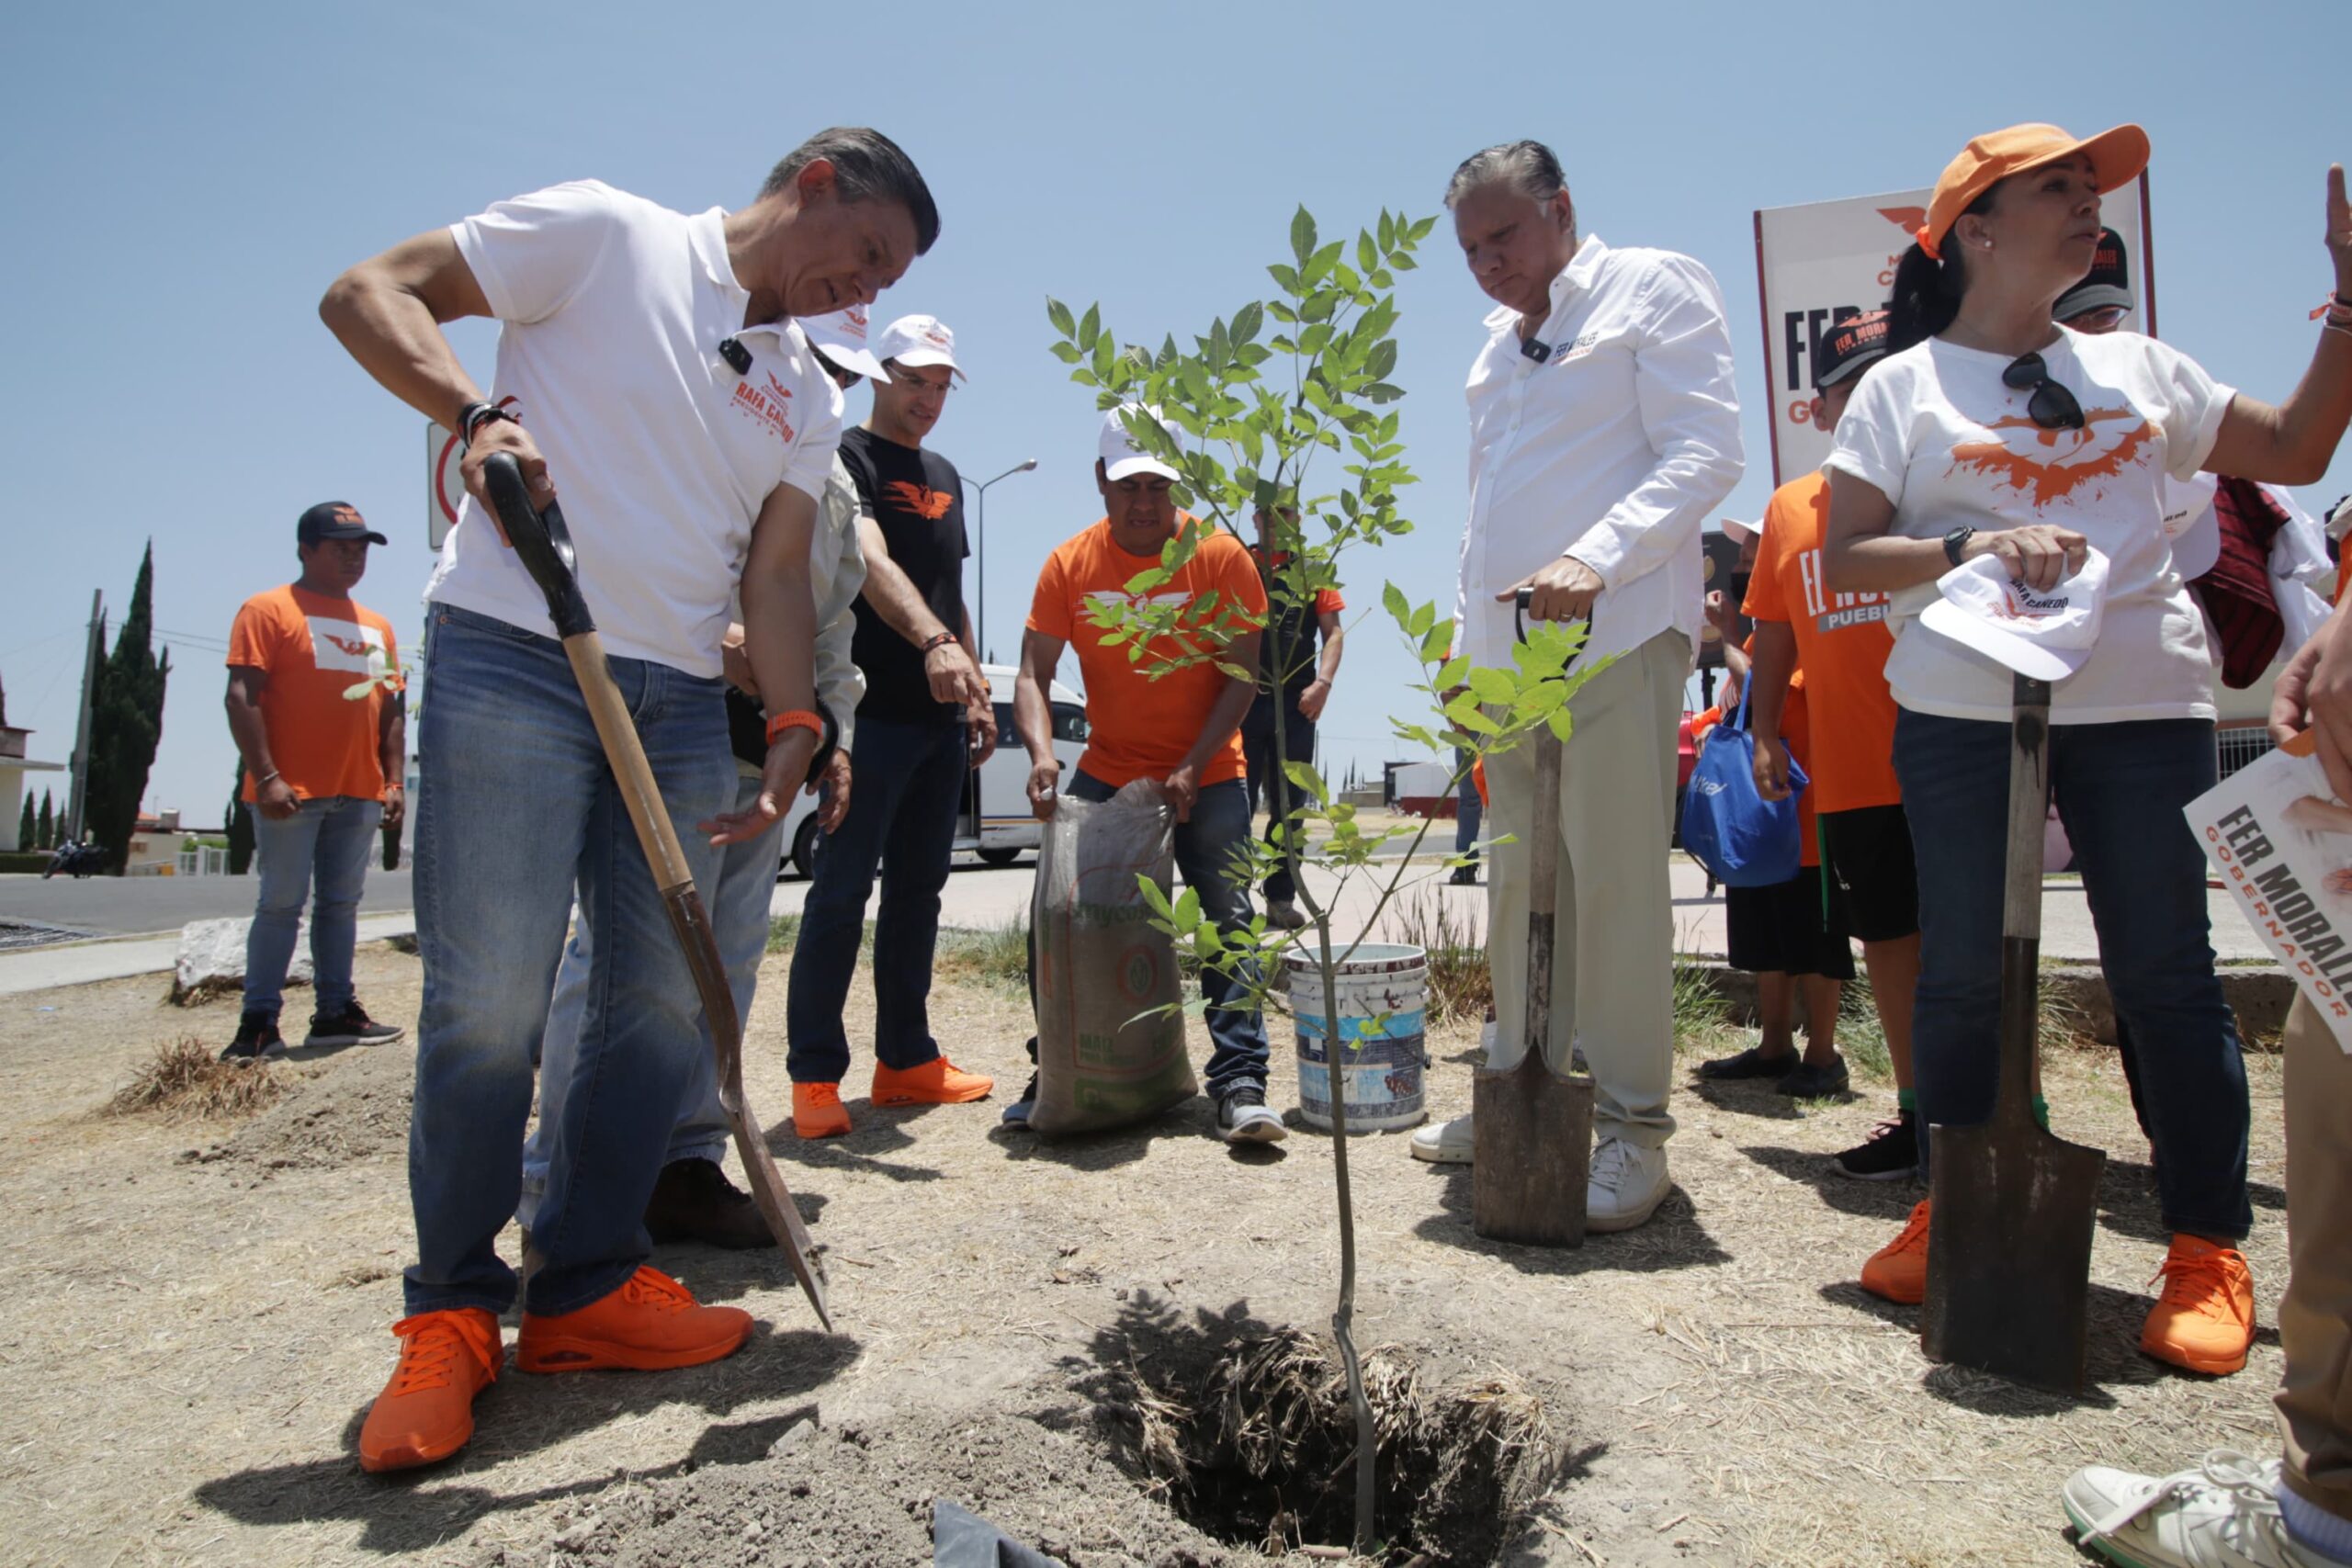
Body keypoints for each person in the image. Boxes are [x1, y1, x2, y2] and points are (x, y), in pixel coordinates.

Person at [319, 127, 938, 1472]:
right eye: (868, 254)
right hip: (512, 652)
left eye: (882, 280)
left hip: (670, 700)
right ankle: (451, 1312)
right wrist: (476, 417)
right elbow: (369, 291)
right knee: (489, 997)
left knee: (657, 998)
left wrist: (789, 714)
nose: (861, 293)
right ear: (818, 183)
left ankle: (588, 1281)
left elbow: (774, 579)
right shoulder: (607, 235)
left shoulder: (804, 390)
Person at [1823, 123, 2351, 1378]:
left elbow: (2296, 450)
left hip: (2139, 703)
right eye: (2055, 187)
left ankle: (2207, 1246)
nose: (2088, 203)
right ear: (1977, 231)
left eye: (2092, 187)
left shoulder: (2141, 368)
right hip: (1959, 701)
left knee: (2164, 967)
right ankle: (1960, 1199)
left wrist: (2347, 307)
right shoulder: (1904, 388)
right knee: (1957, 965)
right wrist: (1968, 548)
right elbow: (1848, 555)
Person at [1410, 140, 1744, 1235]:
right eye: (1468, 248)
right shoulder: (1495, 351)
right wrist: (1466, 652)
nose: (1486, 261)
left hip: (1612, 637)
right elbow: (1484, 515)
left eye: (1502, 234)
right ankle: (1519, 1087)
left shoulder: (1651, 286)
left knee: (1611, 890)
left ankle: (1633, 1131)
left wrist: (1597, 556)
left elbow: (1705, 451)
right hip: (1510, 666)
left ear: (1561, 210)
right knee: (1516, 885)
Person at [520, 310, 879, 1250]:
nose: (831, 385)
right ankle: (556, 1182)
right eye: (819, 361)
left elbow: (827, 624)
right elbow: (613, 542)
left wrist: (829, 735)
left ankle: (681, 1167)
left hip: (768, 755)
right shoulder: (701, 421)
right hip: (670, 725)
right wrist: (713, 643)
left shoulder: (830, 483)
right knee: (624, 966)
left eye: (848, 371)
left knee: (723, 966)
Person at [1004, 403, 1283, 1144]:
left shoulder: (1220, 556)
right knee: (1061, 919)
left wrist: (1193, 766)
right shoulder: (1070, 564)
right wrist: (1040, 753)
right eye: (1129, 485)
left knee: (1226, 920)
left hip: (1211, 771)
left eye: (1158, 485)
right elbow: (1032, 673)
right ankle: (1060, 1068)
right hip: (1107, 770)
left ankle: (1241, 1081)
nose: (1144, 502)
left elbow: (1242, 677)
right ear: (1101, 480)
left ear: (1176, 481)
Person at [784, 310, 996, 1139]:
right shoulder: (847, 457)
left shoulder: (944, 471)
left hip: (938, 722)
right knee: (840, 891)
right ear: (880, 377)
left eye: (941, 386)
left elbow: (951, 591)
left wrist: (973, 683)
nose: (928, 400)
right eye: (915, 382)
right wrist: (933, 641)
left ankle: (905, 1059)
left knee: (920, 893)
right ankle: (814, 1075)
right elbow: (869, 562)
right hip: (866, 718)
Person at [1739, 309, 1927, 1178]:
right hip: (1852, 773)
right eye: (1848, 388)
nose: (1865, 400)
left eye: (1883, 380)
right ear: (1816, 411)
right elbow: (1772, 630)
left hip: (1952, 760)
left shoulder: (1936, 490)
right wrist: (1764, 730)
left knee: (1973, 947)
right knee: (1886, 943)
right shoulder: (1790, 509)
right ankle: (1920, 1113)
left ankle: (2002, 1113)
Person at [220, 502, 408, 1063]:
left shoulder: (376, 626)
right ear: (306, 549)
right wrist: (267, 776)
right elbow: (241, 696)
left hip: (358, 790)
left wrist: (393, 781)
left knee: (341, 905)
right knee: (280, 904)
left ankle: (334, 1013)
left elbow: (390, 709)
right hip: (290, 793)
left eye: (361, 549)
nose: (354, 558)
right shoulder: (268, 609)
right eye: (340, 547)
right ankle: (257, 1024)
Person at [1695, 519, 1854, 1100]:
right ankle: (1775, 1045)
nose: (1742, 563)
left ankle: (1823, 1054)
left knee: (1813, 935)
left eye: (1752, 551)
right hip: (1761, 814)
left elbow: (1777, 688)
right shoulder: (1765, 630)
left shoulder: (1802, 622)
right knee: (1764, 932)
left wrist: (1731, 638)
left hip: (1803, 814)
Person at [1242, 508, 1345, 928]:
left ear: (1298, 520)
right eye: (1268, 515)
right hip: (1243, 702)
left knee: (1291, 808)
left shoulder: (1315, 569)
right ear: (1255, 520)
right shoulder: (1238, 561)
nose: (1276, 522)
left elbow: (1333, 632)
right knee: (1234, 805)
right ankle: (1231, 900)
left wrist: (1323, 683)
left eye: (1285, 514)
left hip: (1298, 704)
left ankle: (1280, 900)